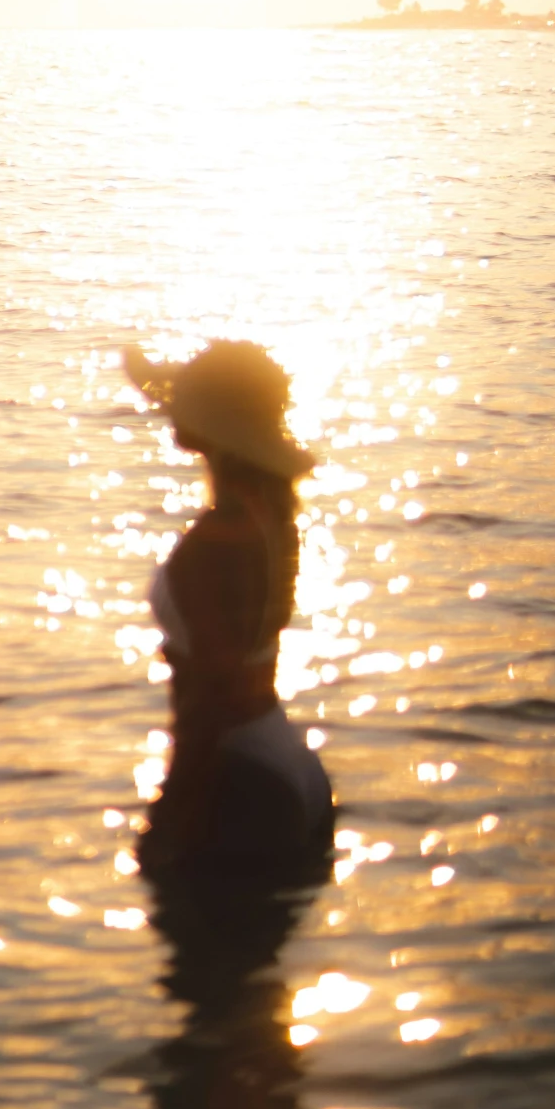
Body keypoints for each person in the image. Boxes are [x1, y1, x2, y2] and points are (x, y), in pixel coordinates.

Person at [122, 339, 334, 880]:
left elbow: (216, 692)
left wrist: (172, 817)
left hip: (237, 780)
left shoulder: (209, 544)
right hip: (290, 763)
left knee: (205, 954)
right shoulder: (274, 516)